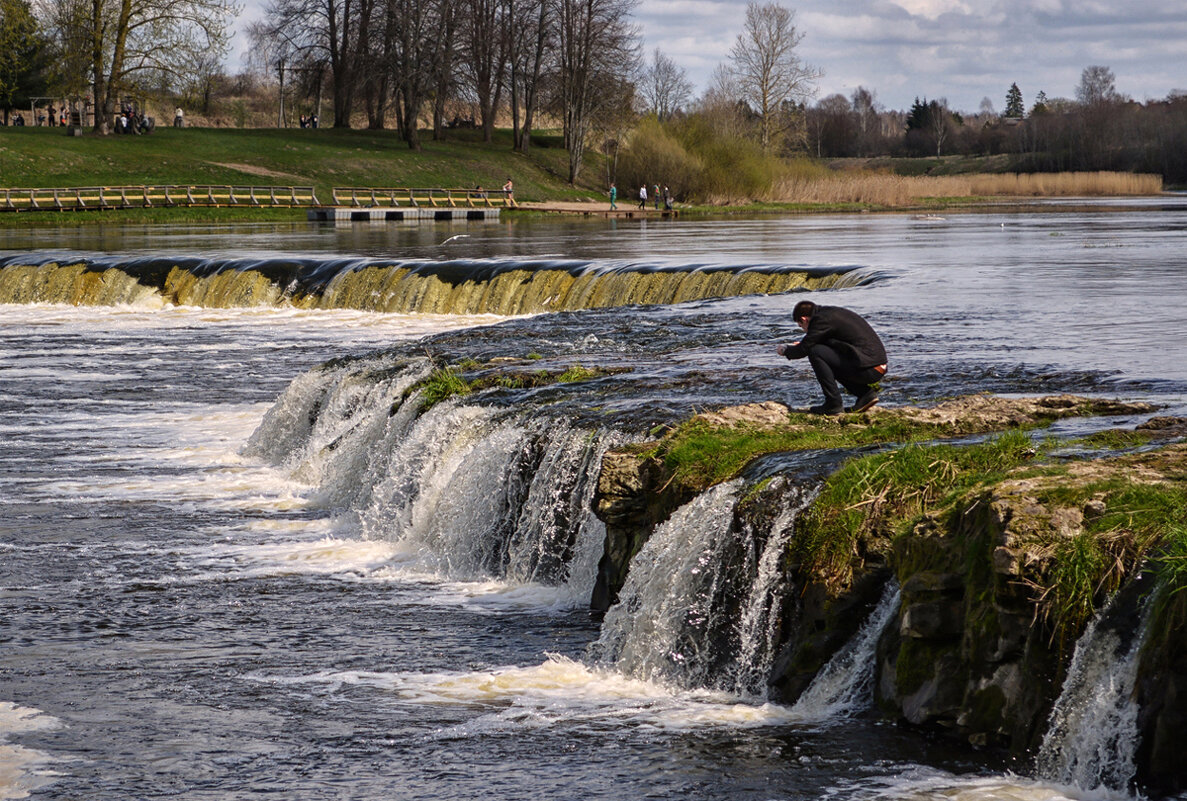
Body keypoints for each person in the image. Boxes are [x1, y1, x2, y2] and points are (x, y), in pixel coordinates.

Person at [776, 300, 887, 415]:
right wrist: (805, 344)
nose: (804, 330)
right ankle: (865, 395)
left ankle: (833, 404)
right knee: (825, 356)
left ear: (804, 319)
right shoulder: (828, 314)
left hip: (869, 368)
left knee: (815, 352)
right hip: (875, 365)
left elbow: (804, 350)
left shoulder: (820, 320)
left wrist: (785, 350)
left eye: (801, 326)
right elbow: (827, 343)